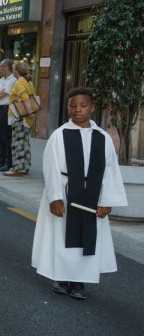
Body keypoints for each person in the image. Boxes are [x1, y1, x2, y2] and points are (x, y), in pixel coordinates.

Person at [31, 88, 127, 300]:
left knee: (88, 238)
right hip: (66, 192)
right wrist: (55, 197)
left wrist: (108, 200)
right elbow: (51, 166)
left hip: (93, 194)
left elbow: (111, 170)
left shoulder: (102, 137)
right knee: (62, 235)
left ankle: (79, 281)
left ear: (92, 107)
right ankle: (61, 278)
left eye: (83, 105)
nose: (77, 110)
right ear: (67, 108)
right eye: (73, 106)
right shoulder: (59, 135)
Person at [5, 61, 36, 176]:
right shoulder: (29, 82)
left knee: (17, 143)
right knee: (25, 143)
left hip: (19, 117)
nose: (13, 71)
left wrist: (29, 112)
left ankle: (17, 168)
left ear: (16, 71)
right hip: (25, 119)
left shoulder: (19, 83)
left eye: (13, 69)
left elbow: (25, 98)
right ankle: (25, 167)